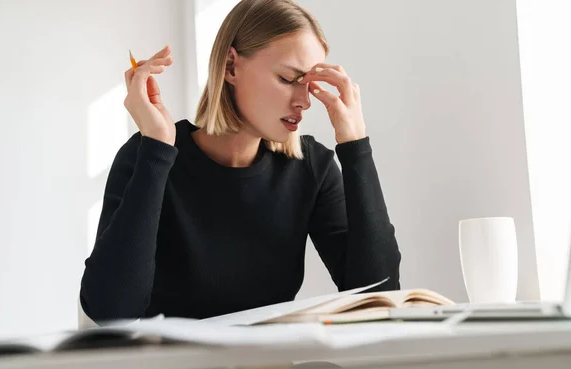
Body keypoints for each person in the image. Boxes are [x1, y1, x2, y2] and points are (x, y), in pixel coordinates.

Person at [80, 0, 401, 323]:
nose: (303, 101)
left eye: (309, 86)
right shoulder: (149, 155)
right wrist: (156, 149)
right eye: (289, 79)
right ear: (231, 67)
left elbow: (378, 299)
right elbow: (110, 311)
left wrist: (356, 145)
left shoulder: (311, 168)